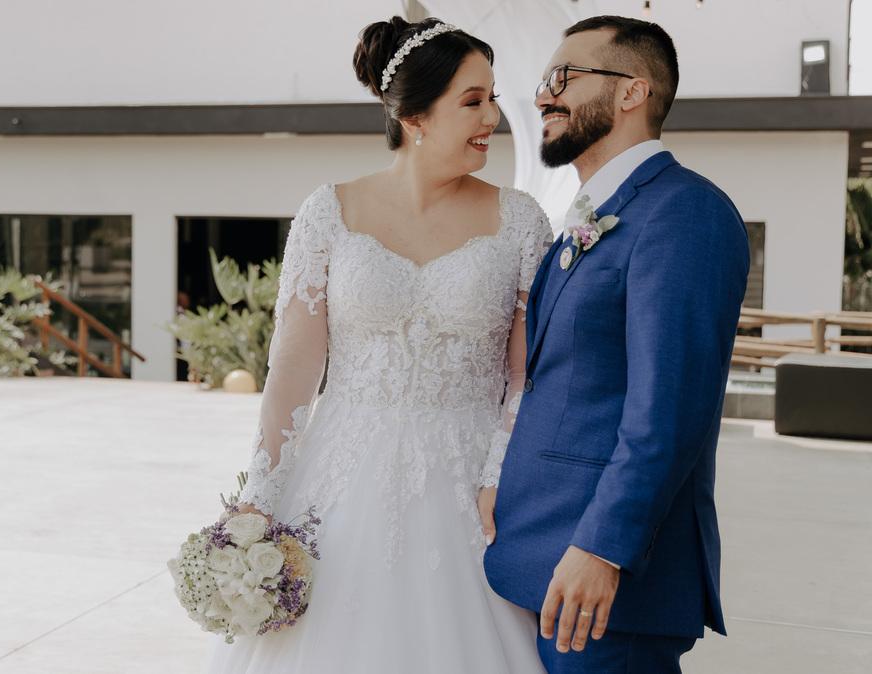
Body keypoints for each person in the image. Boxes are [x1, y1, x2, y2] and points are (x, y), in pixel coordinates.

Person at [203, 16, 550, 673]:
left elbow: (524, 377)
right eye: (474, 101)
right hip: (338, 480)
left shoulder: (521, 220)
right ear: (415, 116)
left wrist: (498, 477)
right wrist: (260, 498)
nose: (494, 117)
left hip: (470, 487)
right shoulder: (328, 213)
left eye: (493, 97)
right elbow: (294, 370)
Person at [481, 15, 750, 674]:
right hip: (539, 562)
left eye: (562, 78)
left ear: (632, 92)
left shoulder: (684, 212)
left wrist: (603, 549)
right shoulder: (593, 213)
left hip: (605, 588)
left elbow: (669, 412)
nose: (543, 96)